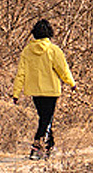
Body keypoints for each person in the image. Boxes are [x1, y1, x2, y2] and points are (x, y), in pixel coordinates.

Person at [12, 19, 75, 160]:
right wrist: (71, 83)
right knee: (46, 119)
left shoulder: (27, 51)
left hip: (34, 91)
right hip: (51, 90)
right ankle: (37, 148)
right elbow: (63, 70)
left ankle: (50, 146)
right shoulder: (54, 50)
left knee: (45, 118)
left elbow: (20, 73)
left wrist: (16, 92)